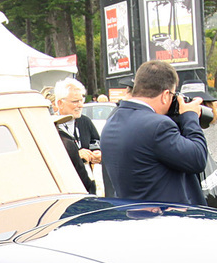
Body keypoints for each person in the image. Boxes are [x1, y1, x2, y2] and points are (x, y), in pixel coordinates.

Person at [98, 60, 208, 205]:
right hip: (165, 218)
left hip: (130, 215)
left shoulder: (111, 122)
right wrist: (190, 116)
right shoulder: (159, 126)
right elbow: (197, 159)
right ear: (165, 95)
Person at [52, 76, 99, 193]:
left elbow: (96, 142)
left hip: (89, 187)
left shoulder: (85, 122)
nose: (80, 105)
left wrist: (97, 154)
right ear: (60, 103)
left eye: (81, 100)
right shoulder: (51, 127)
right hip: (67, 189)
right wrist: (76, 155)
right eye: (75, 101)